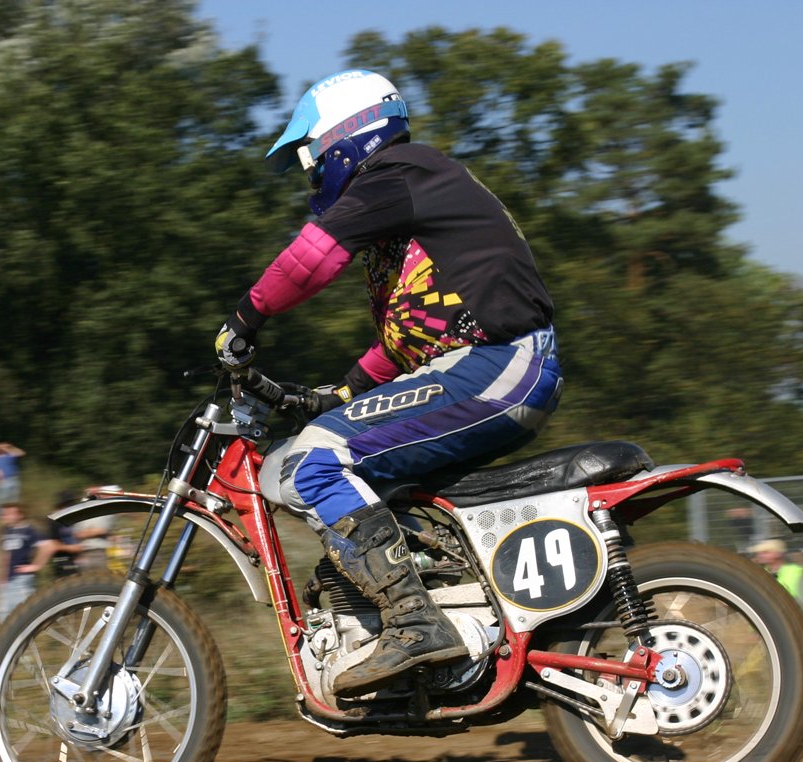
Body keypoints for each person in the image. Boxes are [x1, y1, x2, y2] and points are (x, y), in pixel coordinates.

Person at [215, 69, 561, 697]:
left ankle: (413, 620)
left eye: (311, 157)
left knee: (316, 461)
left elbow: (312, 258)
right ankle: (414, 611)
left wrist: (244, 319)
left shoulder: (399, 173)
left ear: (345, 138)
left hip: (499, 364)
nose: (312, 175)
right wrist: (339, 394)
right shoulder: (410, 201)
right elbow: (409, 337)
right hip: (482, 368)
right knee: (321, 457)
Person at [0, 502, 43, 625]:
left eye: (10, 513)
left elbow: (45, 547)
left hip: (22, 580)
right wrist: (0, 578)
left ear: (20, 515)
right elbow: (4, 555)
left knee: (23, 619)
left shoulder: (29, 530)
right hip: (7, 582)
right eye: (4, 514)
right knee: (1, 621)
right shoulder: (6, 531)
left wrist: (35, 566)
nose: (6, 516)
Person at [751, 538, 803, 608]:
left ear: (778, 554)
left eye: (765, 552)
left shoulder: (796, 572)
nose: (760, 555)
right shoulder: (760, 574)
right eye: (759, 553)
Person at [0, 442, 24, 521]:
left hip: (14, 480)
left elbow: (21, 453)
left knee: (12, 501)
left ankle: (10, 517)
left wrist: (9, 447)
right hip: (1, 482)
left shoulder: (8, 455)